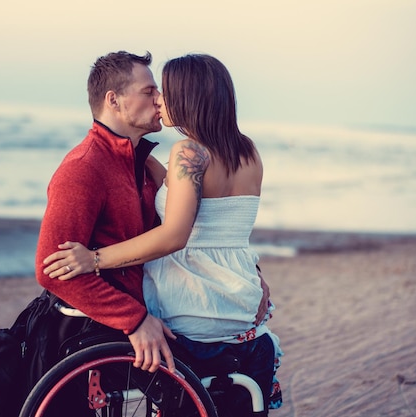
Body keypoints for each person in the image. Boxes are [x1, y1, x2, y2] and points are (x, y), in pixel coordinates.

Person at [42, 53, 283, 415]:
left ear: (188, 97)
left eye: (164, 92)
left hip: (192, 301)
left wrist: (93, 259)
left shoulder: (189, 153)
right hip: (239, 296)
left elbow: (174, 234)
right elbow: (218, 225)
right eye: (152, 91)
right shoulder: (247, 151)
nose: (159, 100)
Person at [34, 50, 177, 376]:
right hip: (94, 330)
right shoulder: (84, 168)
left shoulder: (137, 162)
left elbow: (186, 228)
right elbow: (50, 271)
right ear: (114, 100)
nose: (159, 100)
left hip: (148, 310)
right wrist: (134, 319)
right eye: (149, 91)